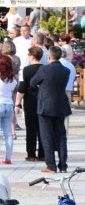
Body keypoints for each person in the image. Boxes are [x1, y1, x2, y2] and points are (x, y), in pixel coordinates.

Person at [30, 45, 73, 173]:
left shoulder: (45, 69)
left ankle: (51, 165)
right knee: (61, 136)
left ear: (49, 56)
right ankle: (63, 165)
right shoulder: (66, 70)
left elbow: (32, 82)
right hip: (60, 105)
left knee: (46, 136)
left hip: (45, 106)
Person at [16, 46, 44, 162]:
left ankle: (31, 154)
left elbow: (22, 88)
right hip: (43, 101)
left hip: (30, 101)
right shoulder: (45, 68)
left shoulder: (26, 70)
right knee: (42, 129)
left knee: (31, 129)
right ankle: (43, 153)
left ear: (32, 56)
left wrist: (17, 103)